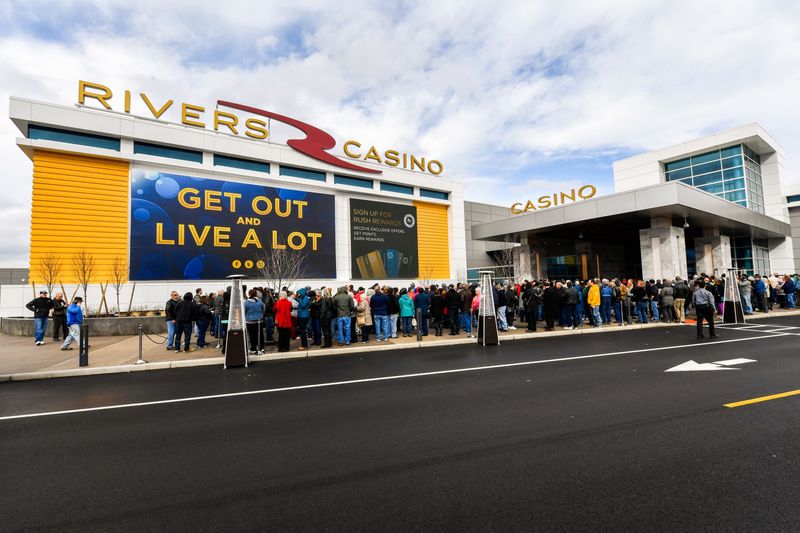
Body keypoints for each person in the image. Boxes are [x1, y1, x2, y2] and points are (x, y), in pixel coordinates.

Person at [244, 289, 265, 354]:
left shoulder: (246, 302)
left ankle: (253, 348)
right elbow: (263, 309)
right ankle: (261, 348)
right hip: (259, 320)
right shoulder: (260, 301)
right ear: (256, 294)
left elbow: (244, 311)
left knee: (252, 335)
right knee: (260, 334)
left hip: (250, 321)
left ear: (249, 294)